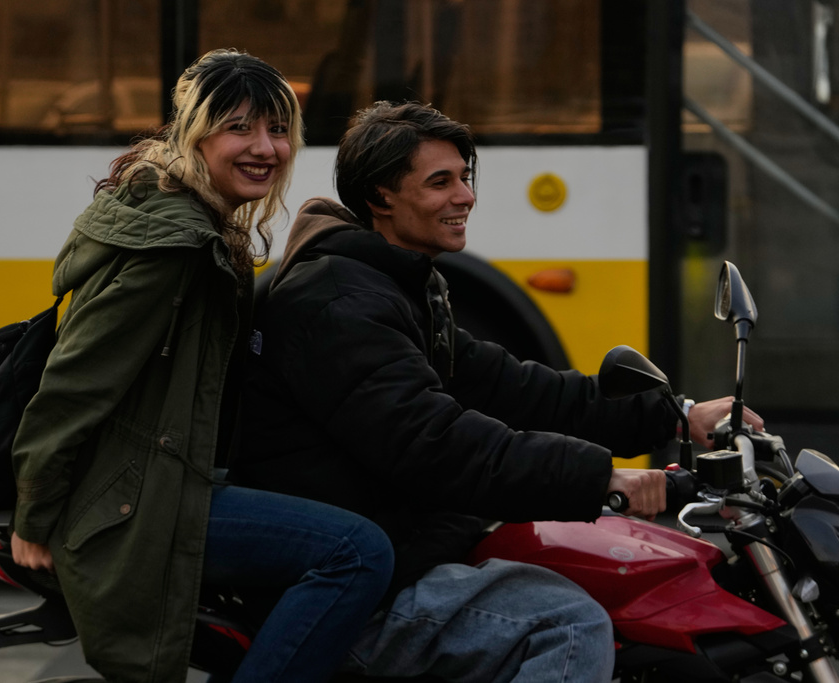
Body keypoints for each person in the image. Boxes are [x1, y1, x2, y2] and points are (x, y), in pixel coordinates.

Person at [232, 101, 764, 682]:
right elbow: (437, 443)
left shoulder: (390, 284)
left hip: (409, 544)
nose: (466, 196)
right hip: (364, 591)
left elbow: (517, 389)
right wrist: (604, 480)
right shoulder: (340, 304)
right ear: (381, 196)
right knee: (566, 623)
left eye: (466, 177)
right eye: (441, 182)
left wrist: (677, 415)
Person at [8, 50, 394, 683]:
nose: (264, 148)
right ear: (194, 136)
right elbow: (73, 383)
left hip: (161, 479)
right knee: (358, 552)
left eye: (276, 130)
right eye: (239, 127)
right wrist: (36, 515)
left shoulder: (192, 220)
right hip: (136, 499)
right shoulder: (175, 246)